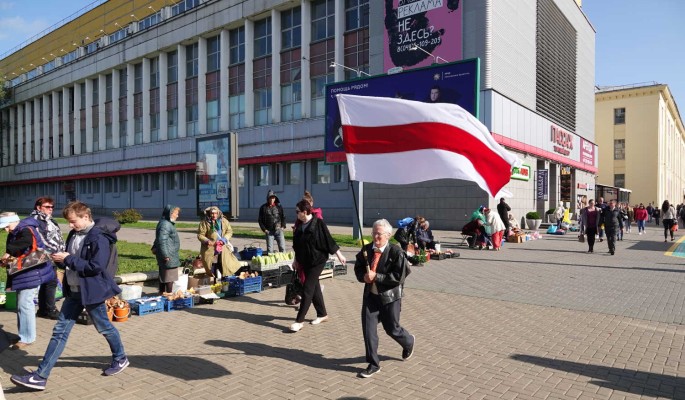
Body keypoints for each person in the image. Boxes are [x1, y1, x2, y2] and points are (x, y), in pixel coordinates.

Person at [11, 201, 128, 391]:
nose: (70, 226)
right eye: (69, 223)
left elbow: (95, 267)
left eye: (73, 222)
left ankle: (120, 357)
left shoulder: (98, 237)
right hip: (74, 291)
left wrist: (68, 259)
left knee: (104, 327)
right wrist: (59, 260)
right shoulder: (75, 234)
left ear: (85, 217)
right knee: (59, 332)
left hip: (92, 291)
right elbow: (70, 259)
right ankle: (40, 376)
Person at [353, 219, 414, 378]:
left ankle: (408, 341)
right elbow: (358, 267)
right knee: (368, 330)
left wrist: (376, 277)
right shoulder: (367, 250)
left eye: (379, 234)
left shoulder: (396, 252)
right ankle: (373, 364)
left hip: (390, 298)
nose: (375, 237)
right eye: (374, 233)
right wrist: (363, 277)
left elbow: (398, 277)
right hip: (371, 297)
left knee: (392, 329)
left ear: (388, 235)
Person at [0, 212, 57, 350]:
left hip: (32, 271)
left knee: (25, 304)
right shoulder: (17, 230)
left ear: (14, 221)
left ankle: (27, 337)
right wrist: (7, 259)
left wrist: (8, 252)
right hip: (26, 271)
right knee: (22, 304)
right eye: (4, 228)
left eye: (7, 226)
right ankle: (23, 335)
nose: (6, 230)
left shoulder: (25, 229)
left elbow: (26, 241)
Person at [290, 200, 346, 332]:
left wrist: (339, 255)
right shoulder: (299, 225)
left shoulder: (318, 223)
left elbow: (329, 239)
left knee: (307, 289)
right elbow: (297, 246)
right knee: (314, 287)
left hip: (318, 260)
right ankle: (322, 314)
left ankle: (299, 321)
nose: (296, 214)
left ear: (305, 212)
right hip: (305, 260)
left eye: (298, 212)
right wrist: (295, 260)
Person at [31, 197, 65, 320]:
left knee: (47, 282)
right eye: (47, 207)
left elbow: (57, 236)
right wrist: (56, 252)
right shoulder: (36, 219)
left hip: (52, 255)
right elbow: (41, 238)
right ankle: (50, 309)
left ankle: (43, 310)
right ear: (38, 207)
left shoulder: (49, 220)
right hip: (46, 255)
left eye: (52, 207)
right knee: (51, 282)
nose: (50, 209)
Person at [198, 206, 240, 279]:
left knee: (225, 265)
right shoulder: (204, 223)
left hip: (223, 248)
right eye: (212, 213)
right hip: (210, 249)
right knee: (212, 267)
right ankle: (215, 283)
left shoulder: (224, 221)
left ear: (218, 213)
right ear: (209, 213)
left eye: (215, 213)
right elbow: (200, 235)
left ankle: (225, 282)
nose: (213, 215)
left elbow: (229, 231)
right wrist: (207, 241)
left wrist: (223, 240)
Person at [153, 205, 181, 294]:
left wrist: (154, 247)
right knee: (169, 276)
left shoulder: (165, 223)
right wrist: (166, 255)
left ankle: (162, 294)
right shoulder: (166, 224)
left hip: (168, 253)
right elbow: (162, 240)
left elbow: (159, 238)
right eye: (176, 214)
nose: (177, 216)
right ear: (170, 214)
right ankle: (169, 295)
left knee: (164, 276)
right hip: (169, 254)